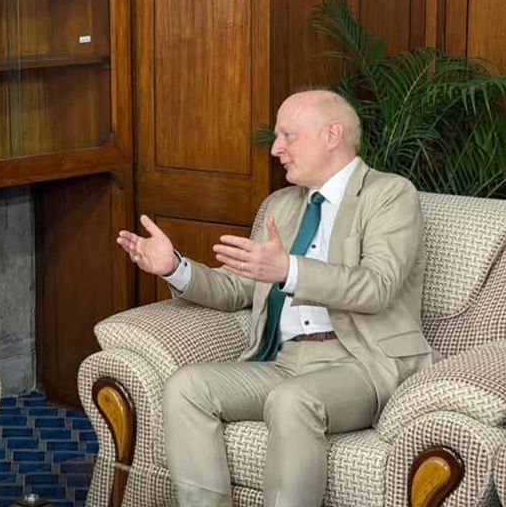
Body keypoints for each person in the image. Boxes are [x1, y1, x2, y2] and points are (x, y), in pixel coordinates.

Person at [116, 90, 435, 506]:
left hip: (361, 363)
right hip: (285, 361)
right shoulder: (281, 205)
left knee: (292, 400)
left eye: (288, 135)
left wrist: (290, 270)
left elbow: (377, 286)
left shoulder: (389, 194)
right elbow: (239, 287)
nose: (276, 149)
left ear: (332, 135)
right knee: (187, 386)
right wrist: (174, 267)